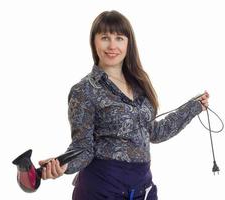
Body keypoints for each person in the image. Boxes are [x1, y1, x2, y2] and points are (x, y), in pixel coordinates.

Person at [39, 10, 210, 200]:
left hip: (141, 187)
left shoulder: (140, 84)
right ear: (94, 41)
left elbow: (154, 132)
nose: (112, 45)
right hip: (101, 188)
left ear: (128, 43)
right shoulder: (84, 90)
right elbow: (83, 147)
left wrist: (194, 107)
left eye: (119, 38)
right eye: (105, 37)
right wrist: (64, 165)